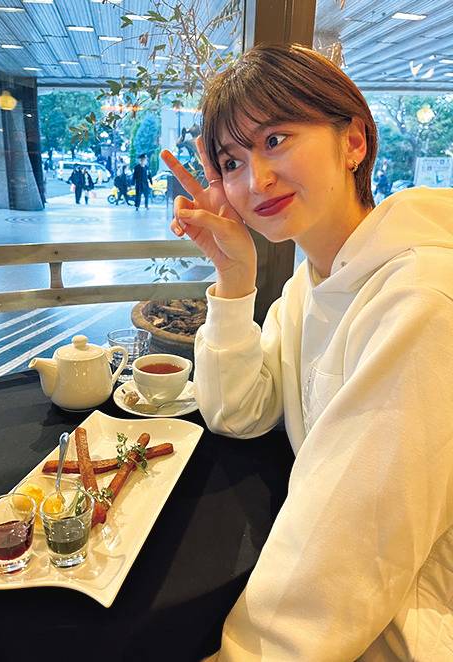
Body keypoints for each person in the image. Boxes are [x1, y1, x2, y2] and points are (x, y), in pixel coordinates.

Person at [161, 43, 453, 661]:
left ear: (354, 142)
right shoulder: (310, 284)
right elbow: (240, 411)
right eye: (232, 161)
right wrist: (235, 279)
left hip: (407, 624)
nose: (255, 181)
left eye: (276, 140)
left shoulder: (421, 299)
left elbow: (355, 546)